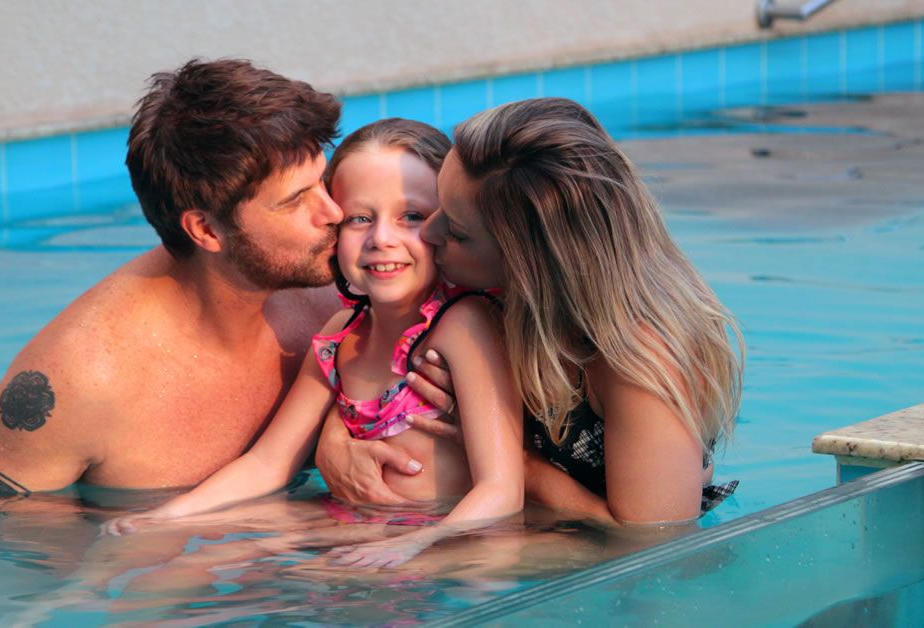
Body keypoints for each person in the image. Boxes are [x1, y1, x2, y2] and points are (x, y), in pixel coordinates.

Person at [0, 59, 450, 495]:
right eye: (297, 200)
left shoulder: (342, 283)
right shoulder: (80, 380)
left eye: (322, 181)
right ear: (206, 229)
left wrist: (337, 432)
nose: (336, 212)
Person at [104, 119, 524, 569]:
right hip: (352, 532)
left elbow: (501, 489)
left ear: (448, 225)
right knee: (193, 563)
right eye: (360, 219)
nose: (382, 239)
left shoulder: (462, 325)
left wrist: (417, 546)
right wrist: (167, 515)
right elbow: (268, 463)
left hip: (437, 549)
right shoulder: (339, 334)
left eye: (412, 217)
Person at [319, 97, 744, 525]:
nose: (430, 231)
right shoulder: (484, 299)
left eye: (458, 232)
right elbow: (365, 361)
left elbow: (652, 537)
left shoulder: (642, 359)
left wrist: (511, 461)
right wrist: (334, 443)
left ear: (527, 263)